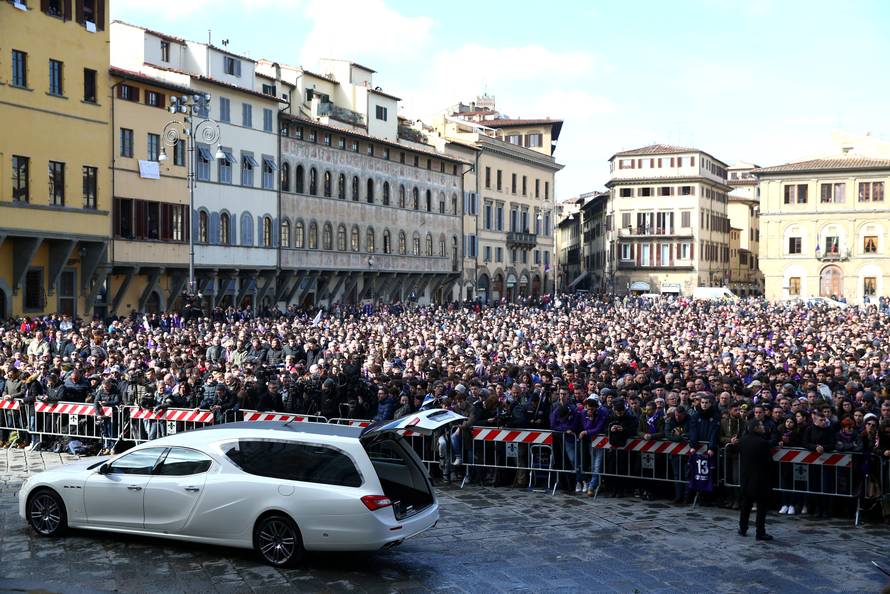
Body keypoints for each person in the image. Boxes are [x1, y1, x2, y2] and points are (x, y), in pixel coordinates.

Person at [738, 418, 773, 541]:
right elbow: (769, 461)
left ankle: (742, 528)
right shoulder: (762, 442)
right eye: (761, 425)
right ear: (756, 428)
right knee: (761, 507)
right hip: (760, 478)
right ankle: (760, 532)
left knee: (746, 504)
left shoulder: (743, 440)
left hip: (746, 477)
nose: (763, 427)